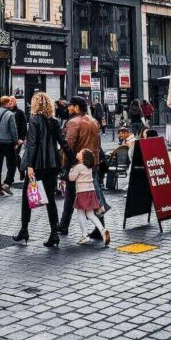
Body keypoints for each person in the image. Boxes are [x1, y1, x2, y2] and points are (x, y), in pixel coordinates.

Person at [13, 91, 68, 248]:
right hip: (52, 165)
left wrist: (30, 166)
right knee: (50, 199)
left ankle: (24, 230)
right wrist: (72, 158)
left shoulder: (34, 120)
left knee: (26, 198)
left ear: (36, 104)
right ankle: (54, 233)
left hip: (37, 165)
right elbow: (62, 143)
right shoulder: (55, 121)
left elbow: (32, 144)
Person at [59, 96, 104, 236]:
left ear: (77, 107)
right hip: (93, 163)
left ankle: (64, 225)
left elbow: (68, 146)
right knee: (93, 192)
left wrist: (64, 167)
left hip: (78, 164)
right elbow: (98, 144)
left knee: (71, 194)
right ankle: (99, 226)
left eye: (70, 105)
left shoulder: (73, 122)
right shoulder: (94, 121)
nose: (68, 108)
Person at [69, 150, 110, 246]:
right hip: (91, 193)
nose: (78, 153)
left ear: (82, 158)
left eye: (80, 152)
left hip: (81, 193)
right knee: (91, 214)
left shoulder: (78, 167)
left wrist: (71, 170)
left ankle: (84, 235)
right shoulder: (89, 168)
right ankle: (103, 230)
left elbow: (71, 178)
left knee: (80, 213)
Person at [0, 96, 18, 197]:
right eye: (9, 101)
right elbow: (13, 130)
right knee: (12, 164)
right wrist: (16, 141)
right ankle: (7, 183)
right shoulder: (10, 114)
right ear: (7, 103)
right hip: (8, 142)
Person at [9, 96, 28, 181]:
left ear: (15, 102)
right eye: (9, 101)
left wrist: (21, 138)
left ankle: (21, 171)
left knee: (15, 156)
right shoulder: (7, 112)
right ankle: (11, 176)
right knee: (9, 157)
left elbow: (24, 126)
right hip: (8, 139)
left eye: (12, 101)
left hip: (17, 139)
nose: (10, 103)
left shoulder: (20, 112)